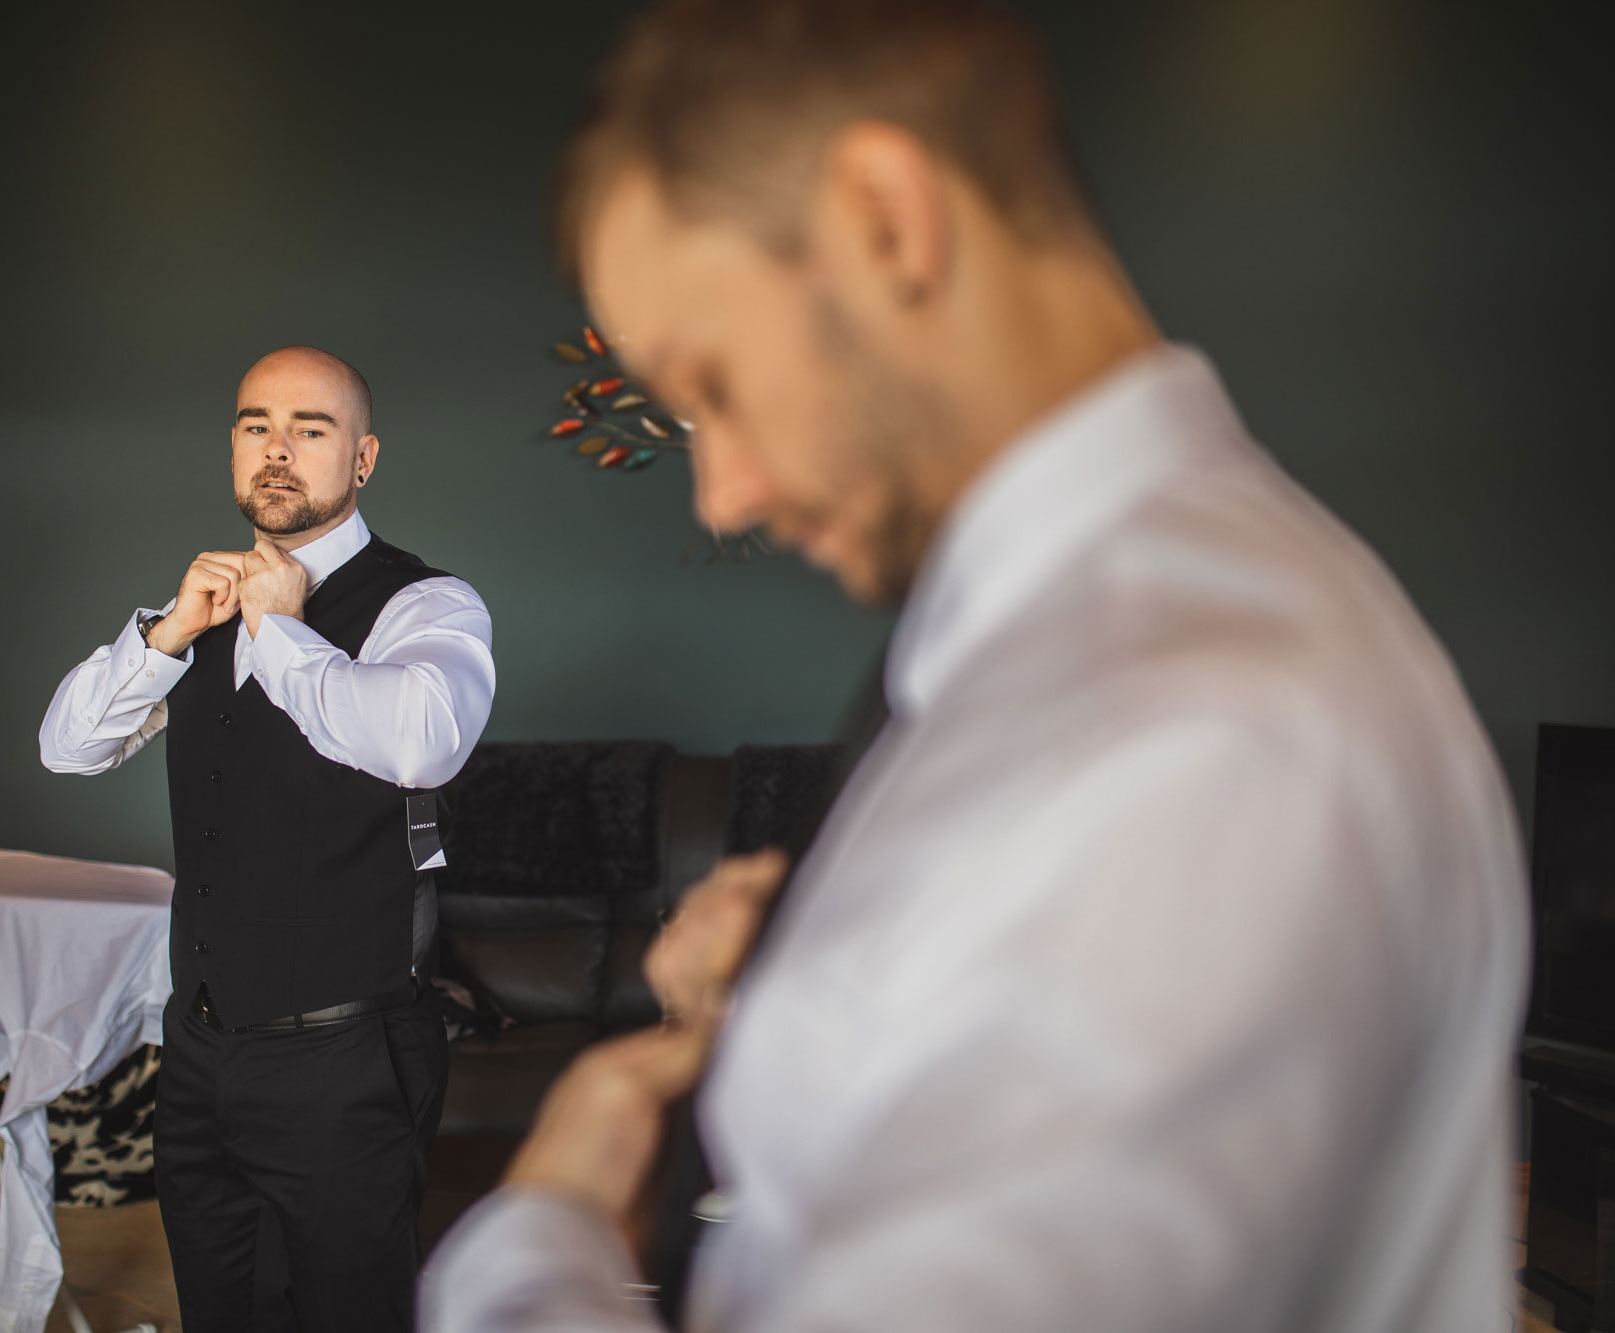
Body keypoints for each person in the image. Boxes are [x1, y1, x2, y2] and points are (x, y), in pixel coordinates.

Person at [421, 2, 1527, 1330]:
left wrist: (542, 1232)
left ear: (887, 219)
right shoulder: (1061, 659)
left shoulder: (1197, 732)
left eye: (715, 383)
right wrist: (821, 980)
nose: (719, 493)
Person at [41, 346, 495, 1333]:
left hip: (345, 1055)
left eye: (311, 428)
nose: (277, 449)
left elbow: (421, 740)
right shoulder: (197, 610)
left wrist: (282, 631)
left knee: (347, 1314)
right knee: (220, 1308)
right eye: (256, 425)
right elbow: (67, 747)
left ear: (363, 458)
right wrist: (165, 637)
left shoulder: (427, 604)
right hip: (200, 1052)